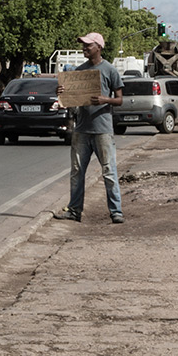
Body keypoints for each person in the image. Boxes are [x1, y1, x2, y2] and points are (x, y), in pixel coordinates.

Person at [54, 31, 123, 223]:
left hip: (103, 130)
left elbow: (120, 99)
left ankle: (116, 211)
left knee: (109, 172)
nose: (84, 48)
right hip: (82, 129)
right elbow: (66, 100)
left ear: (98, 47)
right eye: (83, 45)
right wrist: (59, 92)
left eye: (88, 45)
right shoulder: (79, 72)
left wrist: (104, 99)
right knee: (77, 172)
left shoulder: (110, 70)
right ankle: (75, 210)